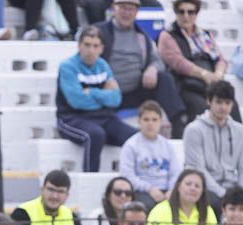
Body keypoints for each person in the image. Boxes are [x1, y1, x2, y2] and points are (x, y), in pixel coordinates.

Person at [97, 0, 186, 135]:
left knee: (164, 78)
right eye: (123, 8)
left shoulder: (142, 36)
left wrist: (152, 68)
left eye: (131, 9)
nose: (127, 13)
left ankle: (178, 124)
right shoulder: (100, 32)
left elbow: (158, 60)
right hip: (108, 92)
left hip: (134, 91)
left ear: (137, 12)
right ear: (114, 8)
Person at [57, 26, 131, 174]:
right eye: (87, 45)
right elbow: (77, 101)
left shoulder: (103, 66)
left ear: (101, 48)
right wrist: (104, 93)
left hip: (103, 117)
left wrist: (90, 92)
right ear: (79, 46)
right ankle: (90, 180)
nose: (91, 50)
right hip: (71, 118)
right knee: (96, 135)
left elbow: (116, 99)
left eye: (95, 46)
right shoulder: (67, 67)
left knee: (134, 137)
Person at [158, 0, 234, 126]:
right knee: (200, 107)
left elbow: (220, 59)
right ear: (175, 13)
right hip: (186, 85)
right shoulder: (167, 35)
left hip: (211, 83)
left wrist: (218, 74)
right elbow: (178, 62)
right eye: (181, 11)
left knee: (229, 102)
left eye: (191, 12)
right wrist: (204, 75)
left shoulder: (204, 35)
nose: (186, 16)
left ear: (196, 13)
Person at [182, 80, 243, 209]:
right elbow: (198, 169)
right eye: (219, 102)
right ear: (209, 101)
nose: (223, 107)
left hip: (232, 186)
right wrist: (224, 194)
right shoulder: (194, 130)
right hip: (206, 188)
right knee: (215, 203)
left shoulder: (240, 131)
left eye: (227, 103)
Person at [120, 101, 181, 206]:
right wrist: (149, 189)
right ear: (139, 121)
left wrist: (171, 190)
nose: (150, 123)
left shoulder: (168, 145)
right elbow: (127, 176)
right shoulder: (130, 145)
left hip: (167, 191)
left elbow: (175, 172)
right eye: (146, 119)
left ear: (161, 122)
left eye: (154, 120)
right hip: (142, 192)